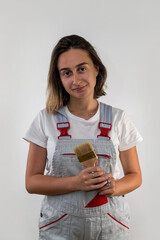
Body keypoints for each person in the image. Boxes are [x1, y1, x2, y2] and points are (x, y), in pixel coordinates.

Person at [24, 34, 143, 240]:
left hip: (110, 226)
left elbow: (135, 176)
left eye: (82, 68)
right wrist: (76, 183)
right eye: (66, 73)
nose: (76, 80)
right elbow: (32, 182)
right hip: (59, 227)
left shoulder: (119, 119)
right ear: (59, 78)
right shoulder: (46, 119)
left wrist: (116, 187)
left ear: (96, 68)